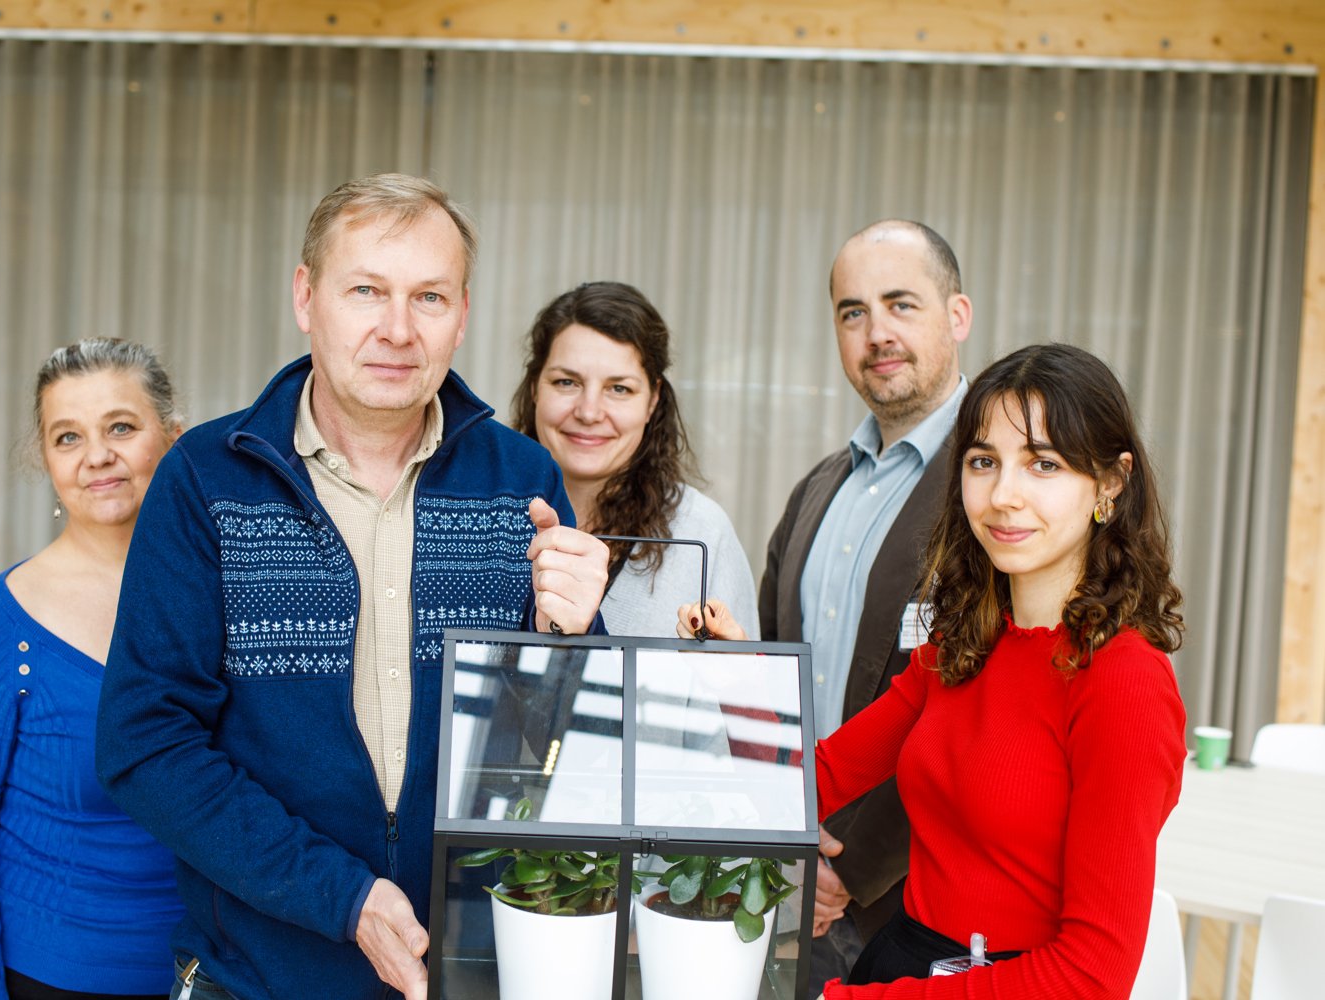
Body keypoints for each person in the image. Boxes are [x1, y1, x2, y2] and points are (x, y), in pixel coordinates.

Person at [93, 174, 609, 1000]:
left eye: (429, 297)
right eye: (366, 290)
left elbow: (566, 746)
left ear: (463, 313)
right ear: (307, 297)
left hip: (467, 972)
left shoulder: (523, 479)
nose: (397, 329)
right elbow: (146, 744)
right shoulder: (205, 481)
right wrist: (343, 898)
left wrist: (577, 640)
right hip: (259, 975)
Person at [684, 342, 1188, 997]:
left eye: (1043, 464)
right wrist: (737, 683)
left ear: (1111, 484)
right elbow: (812, 785)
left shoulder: (1125, 682)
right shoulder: (960, 643)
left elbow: (1089, 977)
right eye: (984, 462)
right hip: (903, 960)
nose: (1004, 495)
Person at [0, 339, 187, 1000]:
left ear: (172, 440)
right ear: (47, 460)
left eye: (121, 426)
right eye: (68, 437)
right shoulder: (0, 626)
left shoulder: (220, 604)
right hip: (42, 981)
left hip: (213, 977)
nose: (97, 456)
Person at [756, 219, 973, 990]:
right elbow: (776, 673)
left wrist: (854, 869)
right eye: (853, 312)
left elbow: (967, 709)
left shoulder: (992, 493)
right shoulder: (817, 490)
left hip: (906, 910)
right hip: (786, 882)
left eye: (901, 304)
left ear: (957, 316)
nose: (876, 332)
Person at [509, 280, 759, 638]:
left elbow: (748, 691)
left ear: (653, 400)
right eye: (566, 382)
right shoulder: (481, 515)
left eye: (619, 389)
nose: (590, 411)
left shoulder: (703, 532)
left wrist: (735, 676)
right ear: (535, 387)